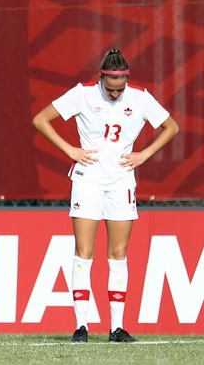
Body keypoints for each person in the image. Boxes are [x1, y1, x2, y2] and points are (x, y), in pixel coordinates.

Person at [32, 49, 179, 343]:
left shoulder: (139, 97)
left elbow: (171, 127)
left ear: (126, 80)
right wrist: (70, 150)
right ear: (101, 79)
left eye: (119, 89)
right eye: (110, 89)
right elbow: (40, 120)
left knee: (118, 255)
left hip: (121, 182)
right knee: (84, 253)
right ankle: (81, 326)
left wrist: (145, 154)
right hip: (88, 181)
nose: (115, 95)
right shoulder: (82, 94)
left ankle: (117, 328)